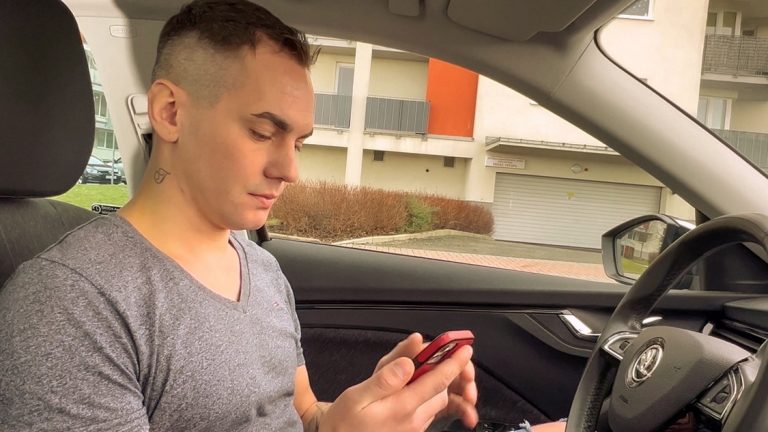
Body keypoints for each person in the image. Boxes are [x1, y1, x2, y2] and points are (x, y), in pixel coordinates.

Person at [0, 1, 563, 431]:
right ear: (170, 112)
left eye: (298, 142)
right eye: (262, 132)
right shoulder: (69, 303)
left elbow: (302, 416)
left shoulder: (261, 269)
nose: (289, 169)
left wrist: (373, 407)